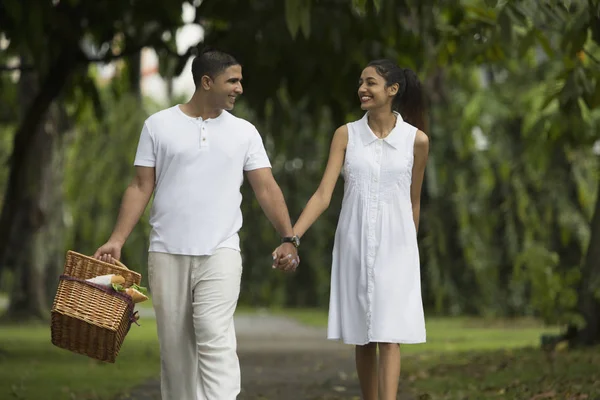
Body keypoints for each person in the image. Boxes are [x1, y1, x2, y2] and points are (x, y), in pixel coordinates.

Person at [94, 48, 300, 400]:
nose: (239, 88)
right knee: (175, 349)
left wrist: (289, 238)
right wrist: (117, 238)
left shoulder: (244, 133)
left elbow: (266, 187)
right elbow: (141, 185)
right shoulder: (158, 125)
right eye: (232, 80)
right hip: (166, 250)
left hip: (221, 250)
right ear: (207, 82)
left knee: (214, 333)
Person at [280, 59, 430, 400]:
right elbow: (323, 194)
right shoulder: (346, 134)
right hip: (354, 243)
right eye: (361, 82)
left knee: (389, 334)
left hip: (397, 247)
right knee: (364, 334)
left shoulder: (416, 141)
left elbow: (414, 201)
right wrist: (292, 237)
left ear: (392, 90)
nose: (362, 88)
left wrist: (410, 250)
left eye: (371, 83)